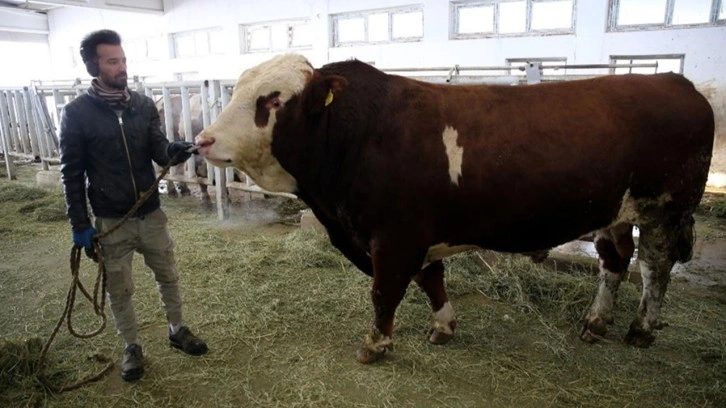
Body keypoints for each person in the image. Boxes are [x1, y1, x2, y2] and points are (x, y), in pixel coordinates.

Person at [59, 29, 208, 382]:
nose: (121, 67)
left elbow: (157, 149)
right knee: (120, 288)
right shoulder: (77, 114)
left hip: (150, 212)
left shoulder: (142, 105)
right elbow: (71, 174)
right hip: (112, 219)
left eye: (123, 60)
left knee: (168, 275)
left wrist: (174, 149)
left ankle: (176, 330)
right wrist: (79, 223)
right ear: (94, 66)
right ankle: (131, 346)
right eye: (113, 61)